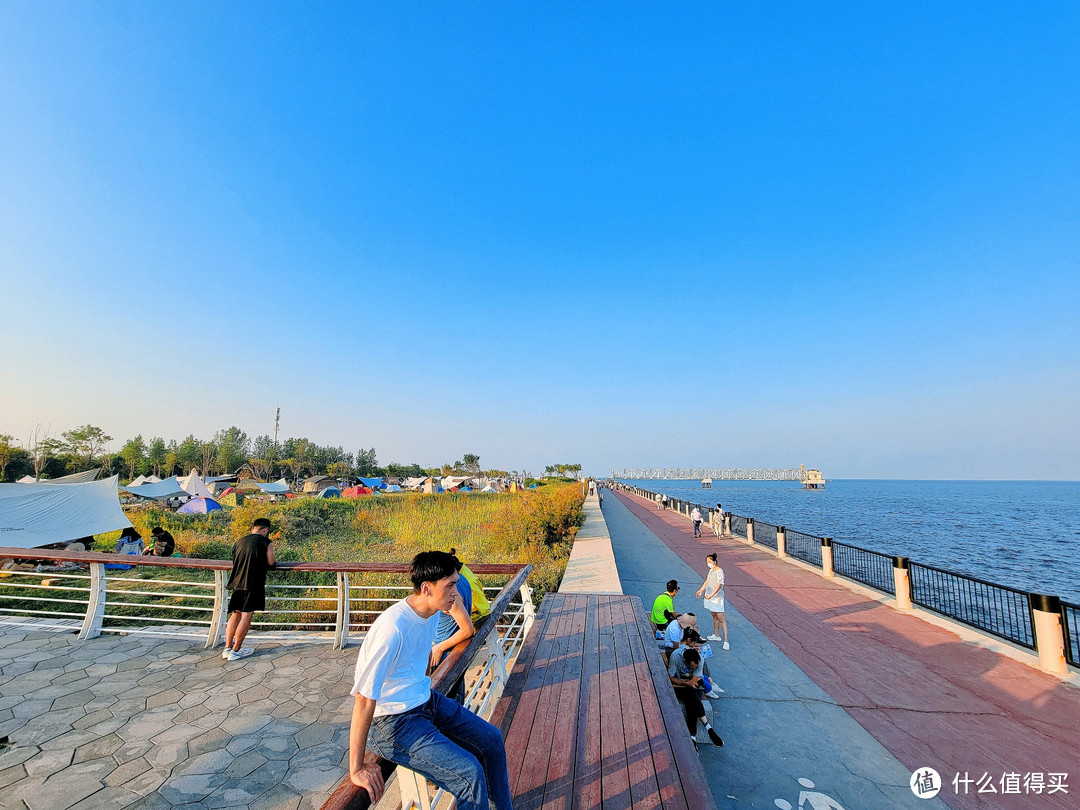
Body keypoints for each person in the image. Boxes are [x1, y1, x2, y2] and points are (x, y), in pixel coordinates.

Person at [349, 550, 513, 810]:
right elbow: (364, 699)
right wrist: (356, 767)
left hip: (425, 700)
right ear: (426, 588)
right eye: (449, 586)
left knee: (491, 740)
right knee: (469, 775)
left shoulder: (433, 610)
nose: (456, 593)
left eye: (456, 584)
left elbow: (422, 658)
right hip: (393, 722)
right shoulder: (392, 629)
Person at [222, 517, 275, 661]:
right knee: (246, 615)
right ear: (265, 530)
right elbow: (271, 562)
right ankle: (236, 650)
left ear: (253, 527)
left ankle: (227, 648)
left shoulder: (239, 541)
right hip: (253, 583)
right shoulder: (266, 542)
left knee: (235, 613)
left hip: (237, 582)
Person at [667, 648, 723, 747]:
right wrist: (684, 683)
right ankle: (707, 727)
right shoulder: (676, 656)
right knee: (691, 697)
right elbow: (671, 678)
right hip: (681, 684)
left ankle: (693, 738)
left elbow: (693, 681)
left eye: (695, 667)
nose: (694, 669)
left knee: (691, 698)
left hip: (692, 685)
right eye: (692, 667)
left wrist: (688, 683)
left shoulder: (699, 659)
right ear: (685, 662)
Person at [431, 549, 475, 666]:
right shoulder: (462, 580)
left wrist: (439, 648)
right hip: (458, 650)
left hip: (446, 652)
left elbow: (467, 630)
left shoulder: (450, 594)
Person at [696, 553, 730, 649]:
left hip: (717, 598)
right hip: (709, 596)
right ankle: (716, 634)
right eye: (707, 562)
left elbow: (719, 585)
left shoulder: (720, 571)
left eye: (710, 562)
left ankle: (726, 640)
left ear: (714, 562)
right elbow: (707, 581)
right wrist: (701, 590)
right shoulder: (711, 570)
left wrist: (711, 595)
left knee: (721, 618)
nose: (708, 564)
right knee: (714, 615)